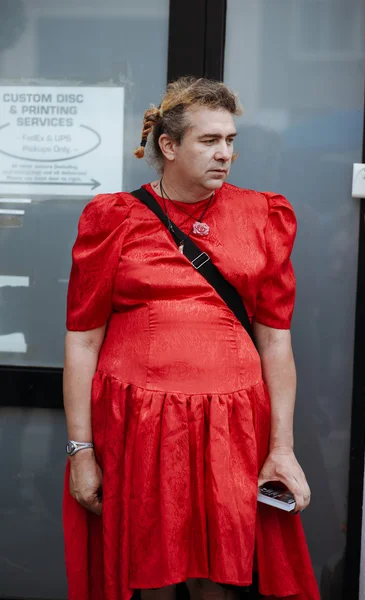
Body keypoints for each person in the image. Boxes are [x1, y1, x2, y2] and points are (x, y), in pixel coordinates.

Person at [63, 77, 320, 600]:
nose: (225, 154)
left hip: (231, 424)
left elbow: (275, 341)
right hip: (138, 421)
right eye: (209, 141)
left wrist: (283, 449)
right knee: (150, 573)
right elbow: (83, 340)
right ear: (169, 145)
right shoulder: (113, 218)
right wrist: (80, 450)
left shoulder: (262, 216)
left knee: (220, 574)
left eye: (230, 140)